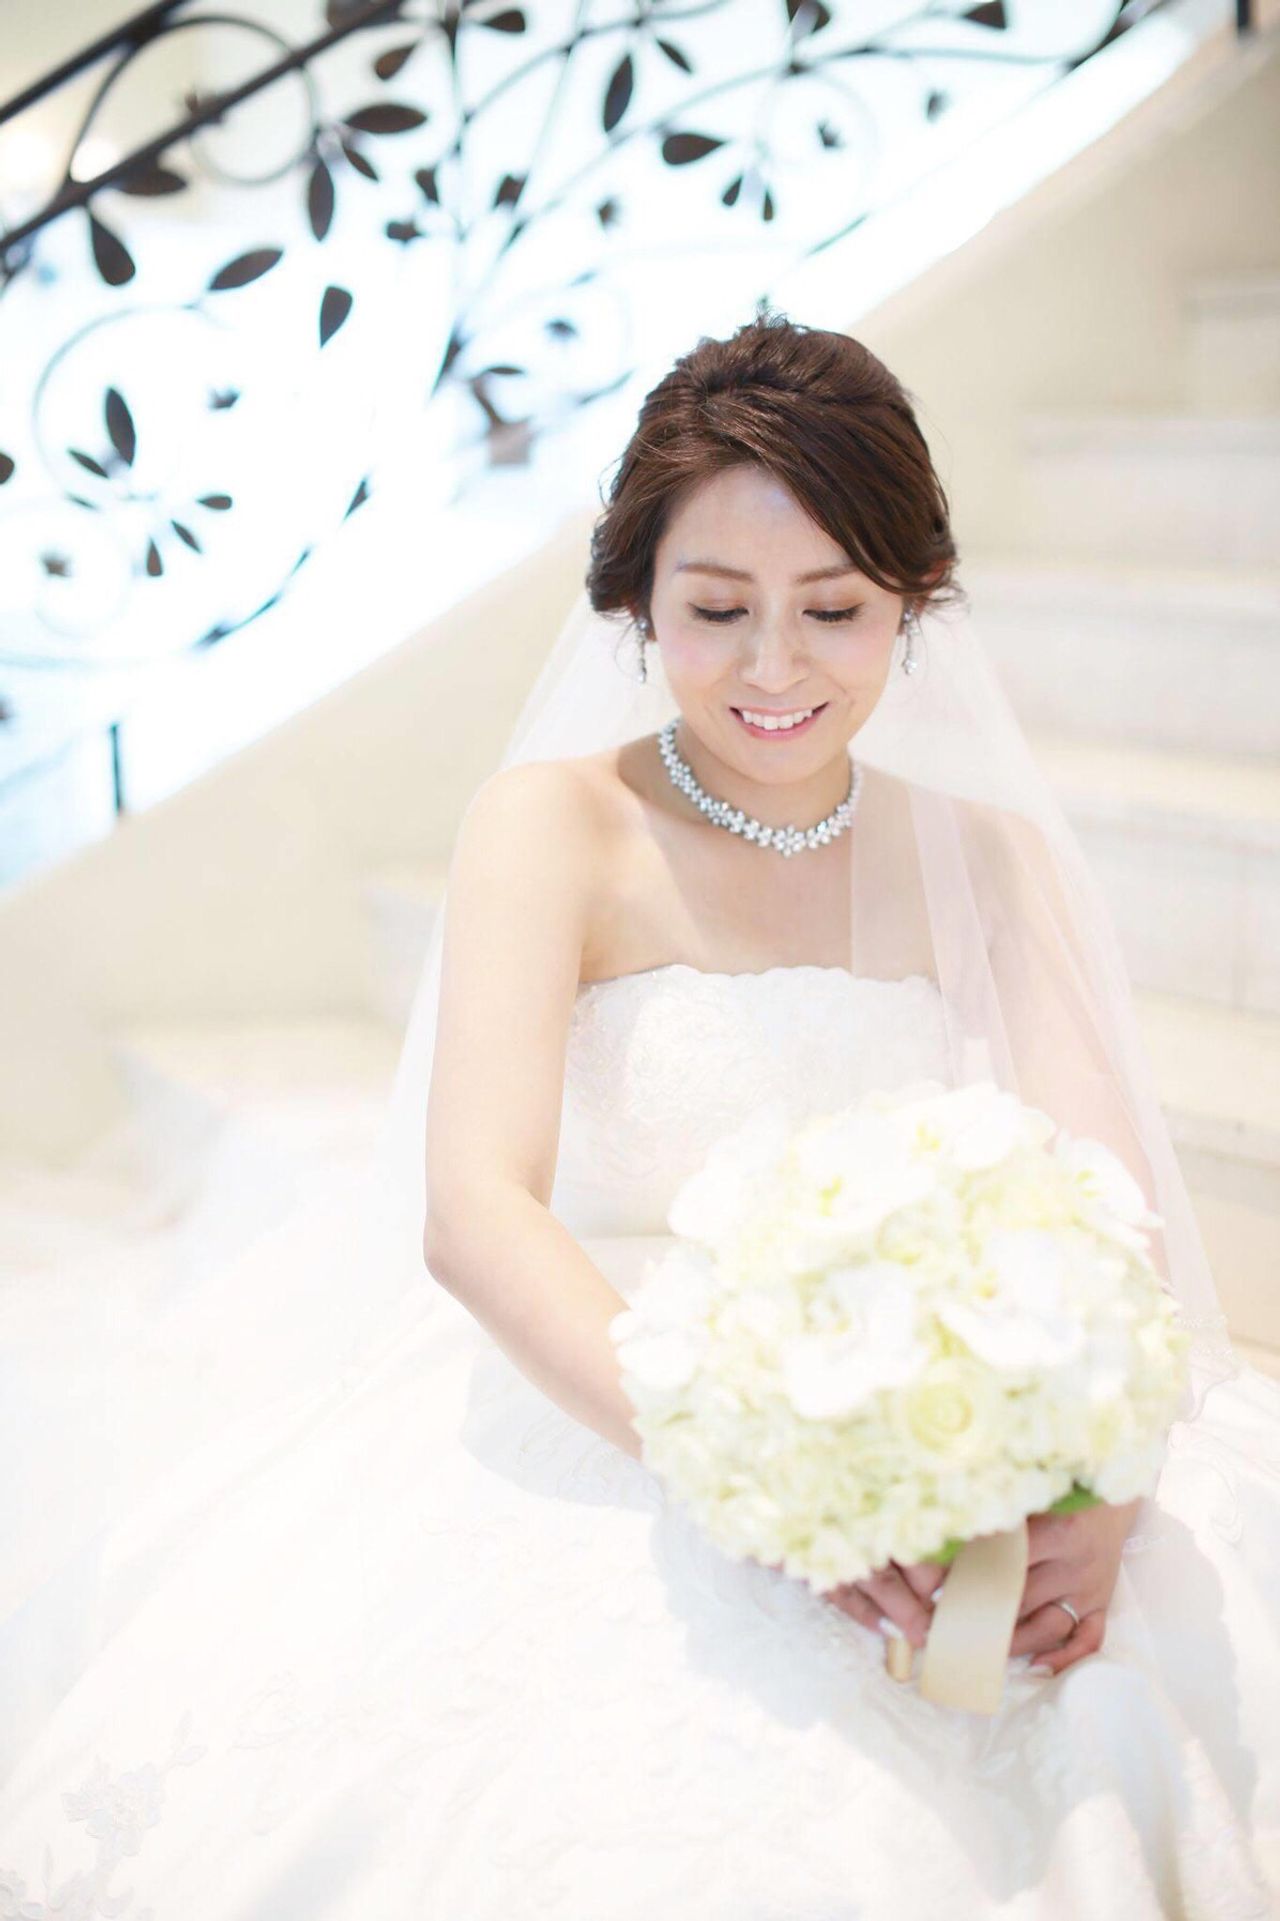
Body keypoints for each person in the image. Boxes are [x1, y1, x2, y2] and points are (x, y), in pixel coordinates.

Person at [2, 310, 1277, 1918]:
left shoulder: (988, 852)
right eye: (716, 608)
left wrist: (1097, 1482)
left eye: (834, 608)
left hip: (940, 1401)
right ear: (636, 602)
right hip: (626, 1386)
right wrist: (761, 1467)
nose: (774, 666)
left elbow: (1109, 1209)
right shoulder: (553, 826)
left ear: (912, 602)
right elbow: (476, 1208)